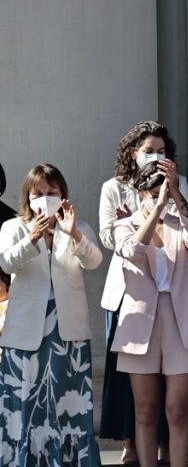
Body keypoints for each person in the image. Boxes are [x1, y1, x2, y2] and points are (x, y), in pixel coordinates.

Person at [0, 163, 103, 465]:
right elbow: (6, 264)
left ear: (63, 195)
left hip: (67, 327)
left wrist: (74, 235)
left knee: (65, 402)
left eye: (51, 193)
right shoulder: (13, 227)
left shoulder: (79, 227)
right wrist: (31, 238)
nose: (44, 198)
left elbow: (94, 262)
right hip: (24, 329)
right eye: (38, 194)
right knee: (24, 403)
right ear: (27, 197)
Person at [111, 162, 188, 467]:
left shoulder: (181, 219)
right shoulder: (125, 223)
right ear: (141, 193)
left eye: (166, 193)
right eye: (156, 193)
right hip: (140, 321)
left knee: (177, 408)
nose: (162, 199)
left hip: (180, 316)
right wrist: (154, 211)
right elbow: (131, 251)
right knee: (145, 409)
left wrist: (178, 199)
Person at [99, 121, 188, 462]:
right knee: (135, 389)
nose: (155, 155)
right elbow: (112, 238)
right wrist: (137, 219)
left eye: (161, 150)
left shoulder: (180, 184)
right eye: (148, 150)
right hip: (130, 293)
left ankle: (169, 447)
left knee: (174, 393)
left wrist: (171, 197)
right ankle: (131, 446)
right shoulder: (113, 187)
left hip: (173, 293)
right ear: (133, 153)